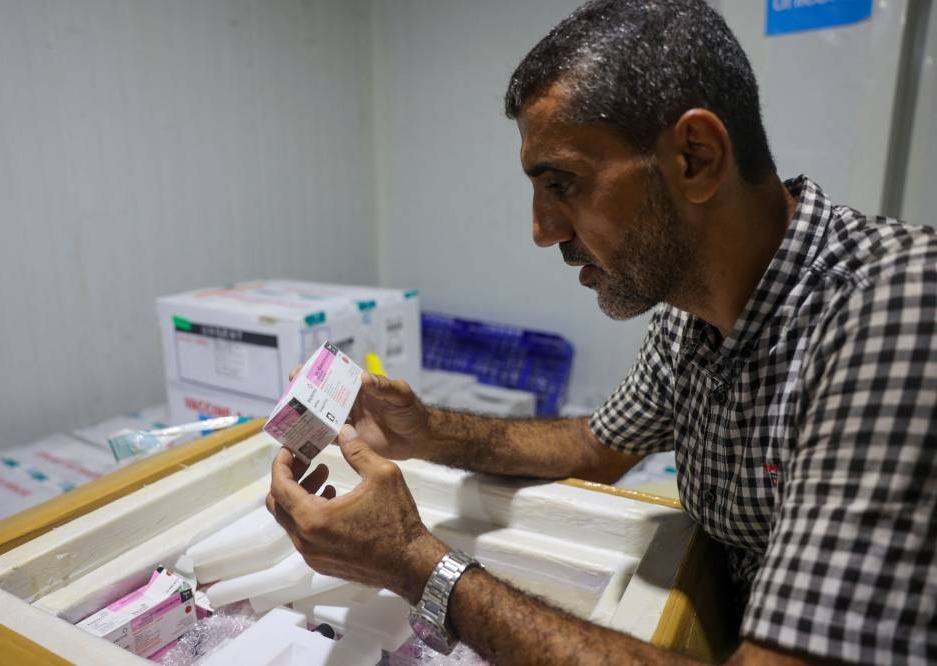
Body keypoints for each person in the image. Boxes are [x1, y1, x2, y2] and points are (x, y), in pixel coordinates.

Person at [267, 0, 937, 663]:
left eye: (563, 183)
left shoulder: (896, 310)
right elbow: (595, 446)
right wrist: (426, 432)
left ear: (695, 158)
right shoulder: (693, 308)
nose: (543, 230)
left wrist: (414, 562)